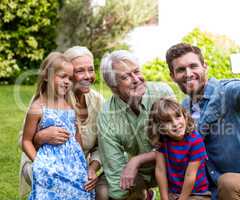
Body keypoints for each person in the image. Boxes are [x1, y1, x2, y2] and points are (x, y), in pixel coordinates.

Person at [165, 43, 240, 200]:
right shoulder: (183, 109)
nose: (188, 73)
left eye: (193, 66)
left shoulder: (227, 92)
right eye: (180, 70)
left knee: (228, 183)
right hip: (209, 192)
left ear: (204, 66)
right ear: (173, 76)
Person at [19, 46, 107, 200]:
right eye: (80, 71)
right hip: (43, 162)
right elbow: (24, 139)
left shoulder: (96, 101)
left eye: (91, 69)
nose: (87, 76)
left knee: (85, 190)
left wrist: (89, 168)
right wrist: (40, 138)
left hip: (74, 164)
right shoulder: (42, 104)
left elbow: (101, 143)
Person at [97, 50, 175, 199]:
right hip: (137, 173)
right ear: (114, 87)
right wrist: (124, 195)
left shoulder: (162, 93)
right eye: (126, 77)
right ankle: (144, 194)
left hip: (171, 165)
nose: (136, 79)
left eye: (136, 71)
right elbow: (115, 169)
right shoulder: (106, 115)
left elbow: (180, 143)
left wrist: (137, 160)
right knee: (105, 192)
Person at [148, 97, 210, 200]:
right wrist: (164, 198)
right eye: (168, 121)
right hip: (174, 192)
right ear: (159, 127)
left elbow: (190, 175)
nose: (175, 124)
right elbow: (160, 170)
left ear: (185, 117)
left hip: (197, 194)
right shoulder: (162, 141)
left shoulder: (195, 140)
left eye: (178, 117)